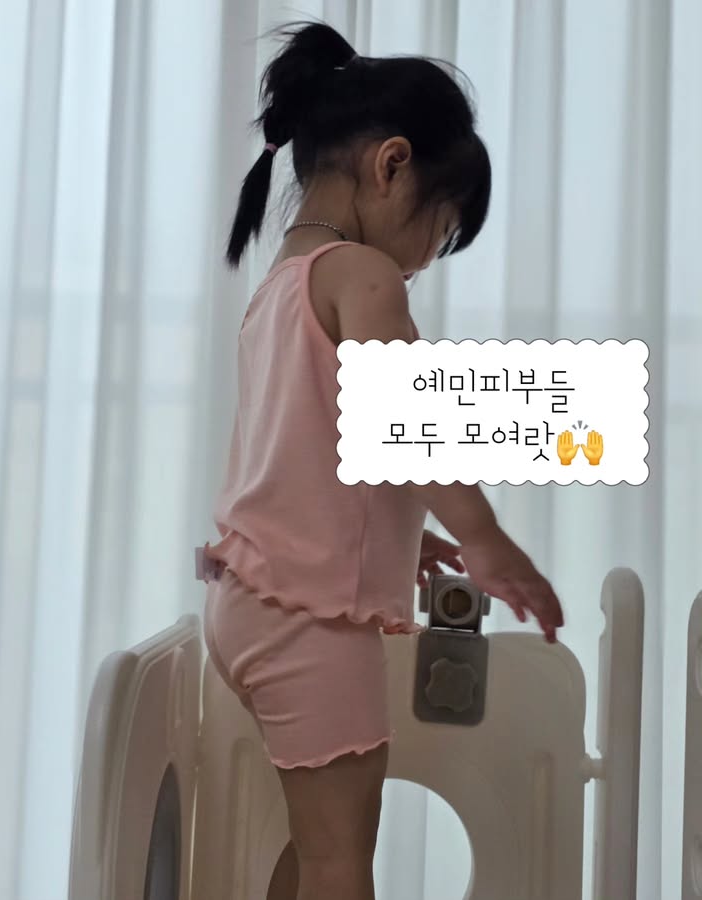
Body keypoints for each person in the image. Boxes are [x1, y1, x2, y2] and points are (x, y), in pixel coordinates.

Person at [202, 20, 565, 900]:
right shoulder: (362, 274)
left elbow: (309, 455)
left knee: (316, 845)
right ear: (392, 165)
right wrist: (484, 538)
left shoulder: (280, 286)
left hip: (249, 605)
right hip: (306, 622)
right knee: (341, 857)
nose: (427, 260)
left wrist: (404, 539)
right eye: (442, 230)